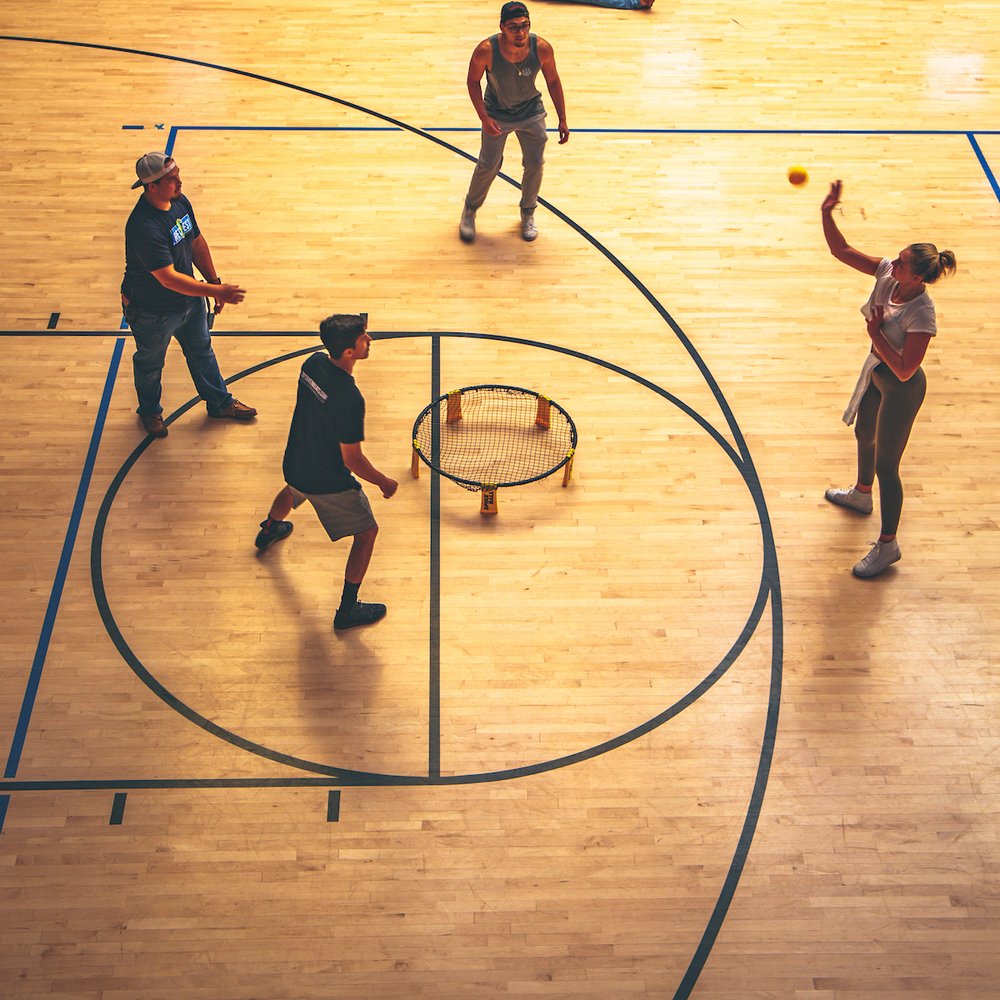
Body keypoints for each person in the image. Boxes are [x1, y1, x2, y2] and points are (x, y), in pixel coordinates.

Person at [820, 180, 956, 578]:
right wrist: (827, 212)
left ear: (919, 279)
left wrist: (875, 332)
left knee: (887, 467)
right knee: (864, 434)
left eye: (901, 264)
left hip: (901, 388)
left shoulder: (922, 315)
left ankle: (888, 545)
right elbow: (841, 251)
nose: (892, 266)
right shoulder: (887, 276)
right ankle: (862, 497)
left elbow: (905, 369)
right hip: (877, 374)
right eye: (896, 260)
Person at [255, 314, 398, 631]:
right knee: (366, 534)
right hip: (327, 479)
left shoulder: (312, 364)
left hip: (296, 460)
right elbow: (352, 460)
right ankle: (348, 611)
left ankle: (269, 530)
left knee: (294, 489)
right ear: (349, 351)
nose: (369, 340)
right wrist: (383, 482)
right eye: (364, 337)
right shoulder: (349, 398)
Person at [122, 152, 256, 439]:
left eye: (177, 174)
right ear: (151, 186)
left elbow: (195, 241)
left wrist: (213, 280)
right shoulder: (144, 227)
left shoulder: (179, 202)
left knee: (202, 351)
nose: (179, 182)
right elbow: (168, 279)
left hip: (189, 301)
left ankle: (219, 403)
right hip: (152, 311)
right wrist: (215, 291)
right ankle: (150, 411)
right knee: (150, 363)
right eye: (171, 179)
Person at [459, 1, 569, 244]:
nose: (520, 33)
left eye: (524, 26)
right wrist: (483, 117)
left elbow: (552, 81)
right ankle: (470, 210)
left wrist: (562, 118)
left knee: (535, 163)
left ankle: (528, 212)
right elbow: (472, 82)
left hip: (530, 111)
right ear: (502, 28)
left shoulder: (541, 48)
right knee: (488, 165)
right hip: (497, 113)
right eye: (514, 27)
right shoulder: (485, 50)